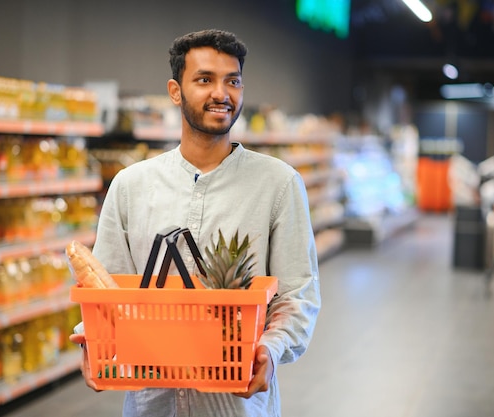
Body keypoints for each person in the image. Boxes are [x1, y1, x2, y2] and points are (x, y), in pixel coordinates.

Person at [69, 29, 321, 417]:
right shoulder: (130, 186)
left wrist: (270, 350)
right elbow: (108, 293)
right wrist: (90, 338)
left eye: (232, 81)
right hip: (151, 404)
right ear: (175, 90)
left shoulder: (279, 184)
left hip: (236, 407)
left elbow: (297, 294)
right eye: (204, 80)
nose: (221, 93)